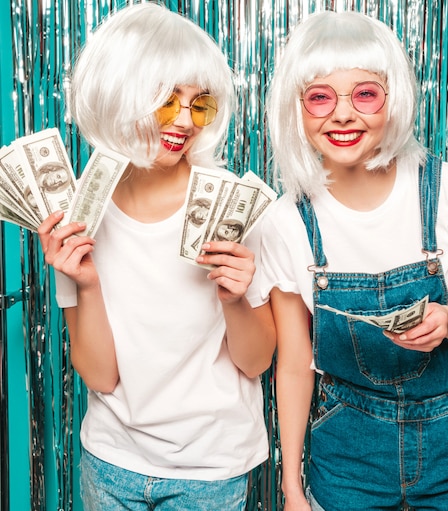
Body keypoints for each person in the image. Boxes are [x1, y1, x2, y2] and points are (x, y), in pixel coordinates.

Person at [260, 10, 448, 511]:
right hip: (346, 452)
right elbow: (293, 365)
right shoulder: (284, 221)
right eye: (320, 97)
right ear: (297, 110)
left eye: (365, 94)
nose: (343, 114)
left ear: (392, 99)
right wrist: (292, 489)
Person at [37, 3, 275, 510]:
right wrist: (86, 283)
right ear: (120, 94)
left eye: (200, 104)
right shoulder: (78, 210)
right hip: (110, 461)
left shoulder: (229, 201)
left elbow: (257, 362)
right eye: (167, 101)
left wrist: (235, 299)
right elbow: (100, 377)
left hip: (212, 469)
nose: (185, 121)